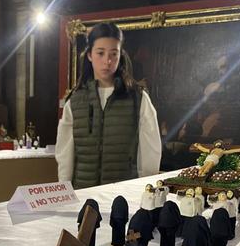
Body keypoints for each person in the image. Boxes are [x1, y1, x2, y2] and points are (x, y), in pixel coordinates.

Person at [55, 22, 162, 189]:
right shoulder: (76, 101)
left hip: (123, 194)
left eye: (114, 53)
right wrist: (65, 189)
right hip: (83, 192)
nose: (108, 61)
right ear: (89, 54)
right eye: (100, 53)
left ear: (121, 55)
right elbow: (65, 153)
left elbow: (150, 151)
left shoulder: (138, 99)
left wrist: (145, 188)